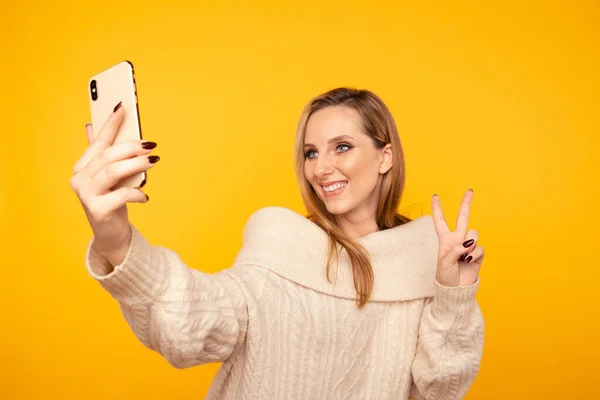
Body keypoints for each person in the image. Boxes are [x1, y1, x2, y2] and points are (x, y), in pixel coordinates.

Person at [71, 87, 484, 400]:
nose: (321, 168)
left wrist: (454, 294)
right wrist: (116, 239)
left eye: (342, 146)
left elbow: (441, 387)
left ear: (385, 157)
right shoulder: (282, 244)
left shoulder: (427, 259)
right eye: (310, 153)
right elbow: (192, 329)